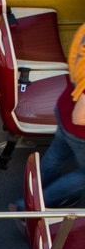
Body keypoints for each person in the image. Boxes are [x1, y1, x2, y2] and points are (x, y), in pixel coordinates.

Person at [43, 22, 85, 206]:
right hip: (79, 128)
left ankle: (37, 195)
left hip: (65, 106)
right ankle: (31, 207)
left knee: (57, 155)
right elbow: (81, 116)